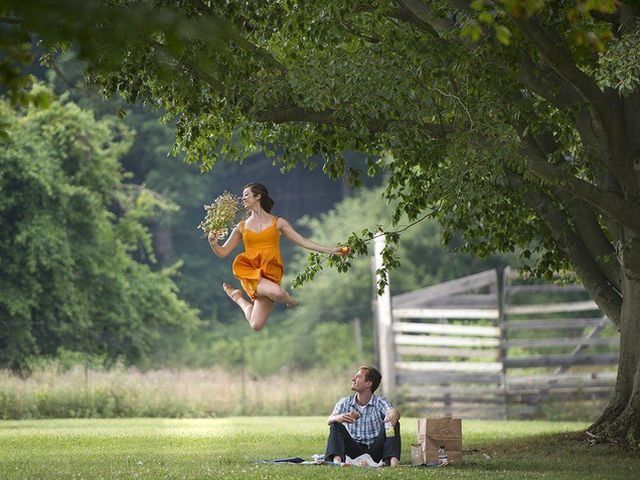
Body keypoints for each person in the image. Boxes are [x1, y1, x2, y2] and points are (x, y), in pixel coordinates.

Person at [208, 182, 346, 331]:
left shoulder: (278, 223)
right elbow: (223, 252)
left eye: (246, 194)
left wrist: (331, 250)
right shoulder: (241, 227)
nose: (243, 199)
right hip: (251, 272)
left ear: (258, 196)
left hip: (271, 272)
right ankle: (291, 301)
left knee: (256, 325)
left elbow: (303, 241)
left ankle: (237, 297)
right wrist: (214, 244)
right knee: (278, 293)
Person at [325, 366, 401, 467]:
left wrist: (392, 416)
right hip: (353, 450)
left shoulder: (380, 401)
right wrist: (339, 418)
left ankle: (394, 463)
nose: (353, 379)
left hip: (375, 451)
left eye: (358, 377)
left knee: (393, 423)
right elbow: (329, 419)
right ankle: (337, 462)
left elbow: (392, 411)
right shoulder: (344, 402)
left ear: (368, 383)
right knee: (335, 424)